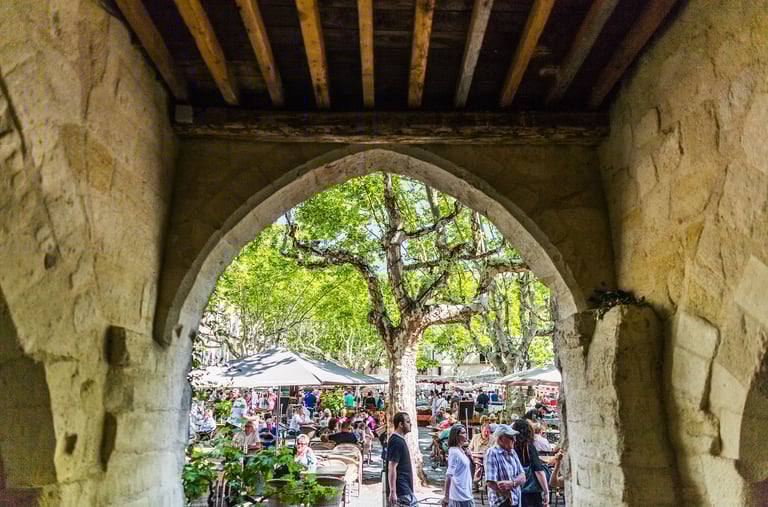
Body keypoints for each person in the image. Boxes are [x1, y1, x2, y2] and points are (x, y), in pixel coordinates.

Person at [486, 425, 526, 507]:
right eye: (511, 438)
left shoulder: (512, 452)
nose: (514, 440)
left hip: (515, 498)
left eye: (514, 437)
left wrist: (512, 483)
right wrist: (508, 494)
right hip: (501, 501)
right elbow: (490, 482)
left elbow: (523, 476)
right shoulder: (492, 452)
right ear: (500, 438)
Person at [512, 419, 549, 507]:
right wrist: (546, 491)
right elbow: (538, 471)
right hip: (531, 489)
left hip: (515, 486)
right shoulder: (528, 447)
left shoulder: (512, 446)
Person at [387, 411, 417, 506]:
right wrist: (393, 491)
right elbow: (392, 467)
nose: (410, 424)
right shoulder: (396, 441)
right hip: (402, 489)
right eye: (408, 422)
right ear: (401, 424)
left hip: (405, 487)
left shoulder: (399, 440)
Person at [442, 425, 474, 507]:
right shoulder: (454, 452)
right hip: (459, 496)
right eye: (463, 433)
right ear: (456, 436)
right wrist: (446, 497)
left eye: (466, 432)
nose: (466, 435)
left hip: (466, 493)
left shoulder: (462, 451)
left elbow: (469, 471)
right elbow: (449, 475)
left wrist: (469, 457)